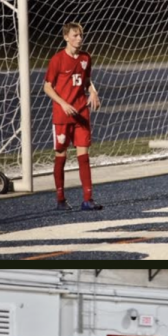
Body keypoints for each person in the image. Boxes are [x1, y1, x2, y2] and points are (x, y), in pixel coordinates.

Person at [43, 21, 102, 211]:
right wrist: (63, 103)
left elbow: (86, 80)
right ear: (66, 37)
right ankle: (60, 198)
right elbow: (47, 87)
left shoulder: (86, 57)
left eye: (81, 36)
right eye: (75, 35)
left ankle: (87, 199)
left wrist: (93, 91)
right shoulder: (57, 59)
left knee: (84, 155)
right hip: (62, 115)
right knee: (61, 155)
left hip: (81, 113)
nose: (79, 39)